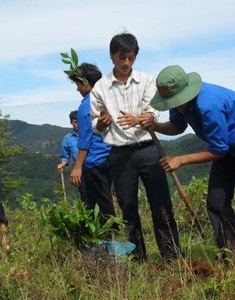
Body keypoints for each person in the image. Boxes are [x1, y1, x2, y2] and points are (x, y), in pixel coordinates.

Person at [145, 64, 235, 268]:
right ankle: (233, 256)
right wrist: (155, 126)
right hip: (227, 147)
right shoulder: (180, 104)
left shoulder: (208, 104)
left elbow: (218, 150)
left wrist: (181, 159)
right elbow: (178, 126)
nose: (173, 105)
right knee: (216, 201)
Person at [90, 32, 181, 262]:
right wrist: (101, 122)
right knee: (128, 207)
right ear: (112, 56)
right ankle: (138, 257)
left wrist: (139, 119)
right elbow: (95, 125)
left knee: (161, 204)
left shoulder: (146, 80)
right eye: (122, 57)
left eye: (131, 58)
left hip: (149, 149)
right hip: (120, 154)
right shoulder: (100, 88)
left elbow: (153, 112)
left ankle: (172, 257)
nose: (126, 63)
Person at [66, 62, 116, 225]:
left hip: (94, 162)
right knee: (106, 199)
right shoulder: (106, 100)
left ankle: (107, 243)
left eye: (78, 84)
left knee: (98, 206)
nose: (77, 89)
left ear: (86, 83)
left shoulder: (86, 105)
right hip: (109, 157)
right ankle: (111, 241)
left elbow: (85, 138)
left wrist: (78, 166)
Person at [57, 110, 87, 201]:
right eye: (75, 122)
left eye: (79, 121)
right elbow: (65, 156)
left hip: (95, 167)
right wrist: (62, 164)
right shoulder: (67, 138)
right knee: (85, 196)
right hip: (80, 171)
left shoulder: (89, 134)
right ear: (71, 122)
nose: (78, 124)